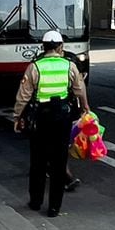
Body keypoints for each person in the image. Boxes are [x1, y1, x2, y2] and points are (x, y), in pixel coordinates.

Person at [14, 30, 89, 218]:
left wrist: (17, 117)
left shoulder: (35, 67)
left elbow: (23, 96)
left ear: (43, 47)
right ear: (60, 47)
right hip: (62, 118)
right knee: (59, 161)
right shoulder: (69, 65)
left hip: (41, 117)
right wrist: (85, 108)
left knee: (38, 161)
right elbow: (80, 90)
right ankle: (54, 207)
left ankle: (36, 201)